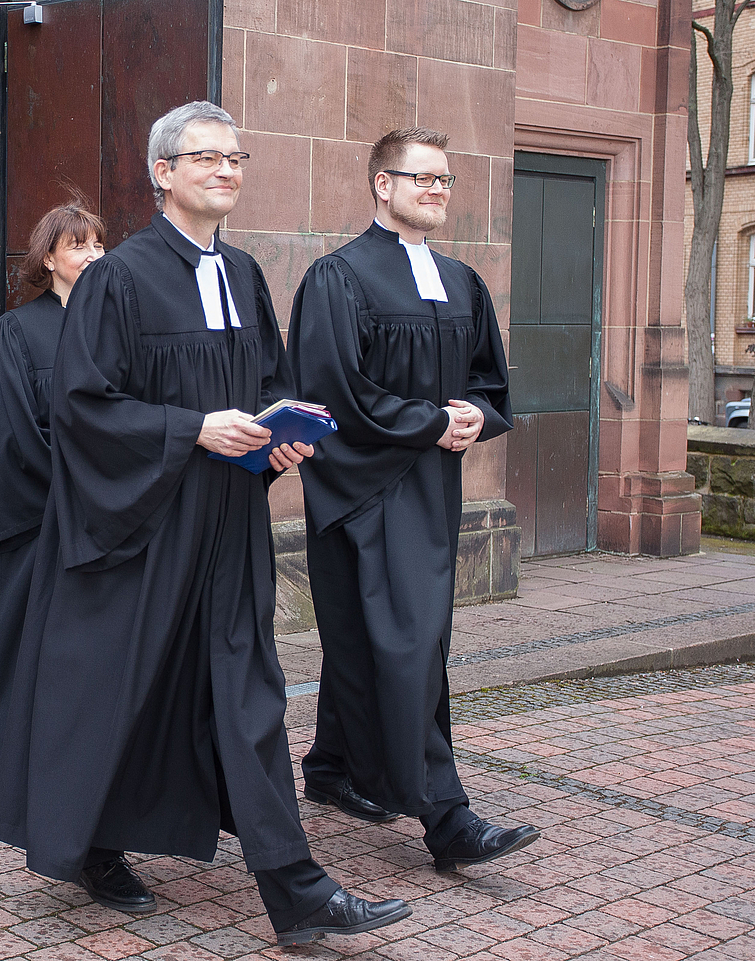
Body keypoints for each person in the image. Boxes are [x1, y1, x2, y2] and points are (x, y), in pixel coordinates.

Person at [0, 101, 410, 945]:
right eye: (205, 156)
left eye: (236, 156)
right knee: (130, 691)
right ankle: (97, 844)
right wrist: (192, 430)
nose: (226, 169)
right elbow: (81, 407)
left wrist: (275, 438)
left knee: (249, 692)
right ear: (163, 173)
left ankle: (296, 890)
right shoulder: (118, 277)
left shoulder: (247, 275)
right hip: (144, 525)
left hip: (228, 520)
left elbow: (266, 384)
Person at [286, 126, 540, 872]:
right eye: (420, 177)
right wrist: (433, 421)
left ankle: (331, 765)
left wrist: (474, 417)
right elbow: (334, 389)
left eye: (446, 180)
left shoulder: (462, 282)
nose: (436, 190)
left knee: (384, 639)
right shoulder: (337, 277)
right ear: (382, 185)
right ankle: (446, 816)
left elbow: (490, 384)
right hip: (362, 489)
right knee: (408, 645)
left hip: (430, 489)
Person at [0, 201, 104, 778]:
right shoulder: (18, 330)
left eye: (98, 245)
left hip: (97, 510)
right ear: (48, 257)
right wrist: (77, 484)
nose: (93, 256)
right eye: (78, 246)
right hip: (32, 512)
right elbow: (15, 426)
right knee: (11, 636)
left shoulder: (115, 326)